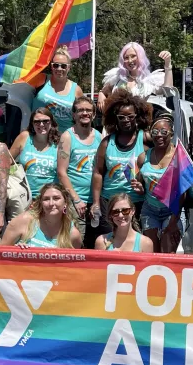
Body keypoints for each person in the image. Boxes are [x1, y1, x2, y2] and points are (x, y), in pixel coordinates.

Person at [91, 90, 150, 234]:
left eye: (130, 116)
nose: (126, 120)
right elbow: (98, 172)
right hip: (109, 202)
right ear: (114, 118)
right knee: (109, 243)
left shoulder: (146, 139)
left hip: (136, 202)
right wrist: (96, 202)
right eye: (121, 117)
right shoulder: (106, 143)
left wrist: (144, 186)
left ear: (138, 117)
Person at [57, 96, 102, 247]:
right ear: (74, 114)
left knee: (94, 242)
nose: (85, 113)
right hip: (75, 200)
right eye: (80, 110)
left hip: (95, 201)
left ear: (94, 114)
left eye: (88, 110)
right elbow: (61, 172)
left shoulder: (99, 137)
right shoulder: (67, 137)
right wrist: (76, 200)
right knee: (75, 242)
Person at [132, 113, 181, 253]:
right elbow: (141, 186)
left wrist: (173, 222)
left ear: (171, 134)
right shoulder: (143, 158)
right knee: (151, 252)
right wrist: (139, 188)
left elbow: (182, 193)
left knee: (168, 252)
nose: (159, 135)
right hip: (150, 209)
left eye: (164, 132)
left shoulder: (179, 156)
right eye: (155, 132)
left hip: (172, 210)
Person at [1, 183, 82, 248]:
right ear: (41, 203)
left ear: (65, 203)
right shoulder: (24, 220)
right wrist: (16, 252)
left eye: (56, 198)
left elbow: (71, 267)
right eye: (46, 199)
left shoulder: (73, 234)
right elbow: (0, 255)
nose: (51, 203)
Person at [98, 42, 173, 111]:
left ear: (140, 57)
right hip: (116, 122)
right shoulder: (118, 77)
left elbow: (168, 90)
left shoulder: (148, 81)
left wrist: (168, 63)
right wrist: (101, 94)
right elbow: (104, 91)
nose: (130, 60)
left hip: (137, 123)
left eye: (133, 56)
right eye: (126, 58)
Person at [32, 46, 84, 134]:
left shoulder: (76, 90)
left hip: (65, 137)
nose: (59, 69)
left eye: (63, 66)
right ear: (51, 66)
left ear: (69, 68)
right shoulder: (40, 80)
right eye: (56, 65)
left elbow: (82, 115)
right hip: (40, 134)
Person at [10, 108, 59, 202]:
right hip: (25, 197)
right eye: (37, 122)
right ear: (32, 124)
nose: (41, 124)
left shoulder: (59, 143)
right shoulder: (24, 137)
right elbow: (7, 161)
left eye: (45, 121)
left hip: (49, 199)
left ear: (51, 123)